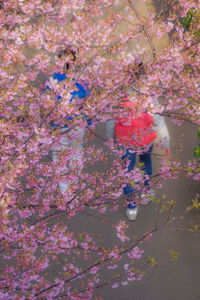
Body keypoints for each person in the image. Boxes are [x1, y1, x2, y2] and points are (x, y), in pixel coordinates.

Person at [106, 63, 170, 221]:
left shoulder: (119, 98)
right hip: (145, 140)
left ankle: (132, 207)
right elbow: (159, 121)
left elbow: (110, 122)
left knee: (126, 172)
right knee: (146, 164)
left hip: (125, 142)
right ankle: (147, 191)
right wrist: (165, 141)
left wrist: (109, 138)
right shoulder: (150, 98)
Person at [46, 47, 92, 195]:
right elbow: (88, 104)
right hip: (78, 123)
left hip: (59, 124)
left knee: (60, 155)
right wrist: (90, 124)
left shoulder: (52, 80)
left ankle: (65, 189)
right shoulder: (82, 80)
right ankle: (73, 184)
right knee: (76, 152)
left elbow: (46, 104)